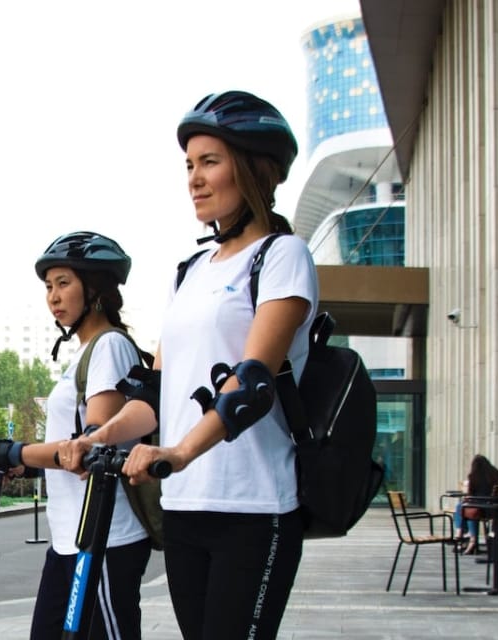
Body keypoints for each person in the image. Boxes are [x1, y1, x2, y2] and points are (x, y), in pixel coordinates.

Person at [75, 90, 317, 638]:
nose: (194, 178)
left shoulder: (282, 257)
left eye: (210, 162)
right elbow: (157, 392)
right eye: (189, 165)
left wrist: (180, 450)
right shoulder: (189, 271)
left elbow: (252, 383)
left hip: (254, 507)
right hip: (184, 505)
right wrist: (101, 438)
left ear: (256, 169)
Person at [0, 231, 151, 640]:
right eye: (48, 286)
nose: (53, 296)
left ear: (96, 287)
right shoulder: (84, 355)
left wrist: (15, 449)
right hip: (69, 539)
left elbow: (93, 445)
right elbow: (68, 451)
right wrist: (23, 462)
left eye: (63, 283)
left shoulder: (109, 347)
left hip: (104, 538)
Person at [454, 454, 498, 553]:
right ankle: (467, 538)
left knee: (464, 508)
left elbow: (470, 495)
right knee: (468, 508)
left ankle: (463, 536)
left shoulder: (473, 477)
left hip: (482, 510)